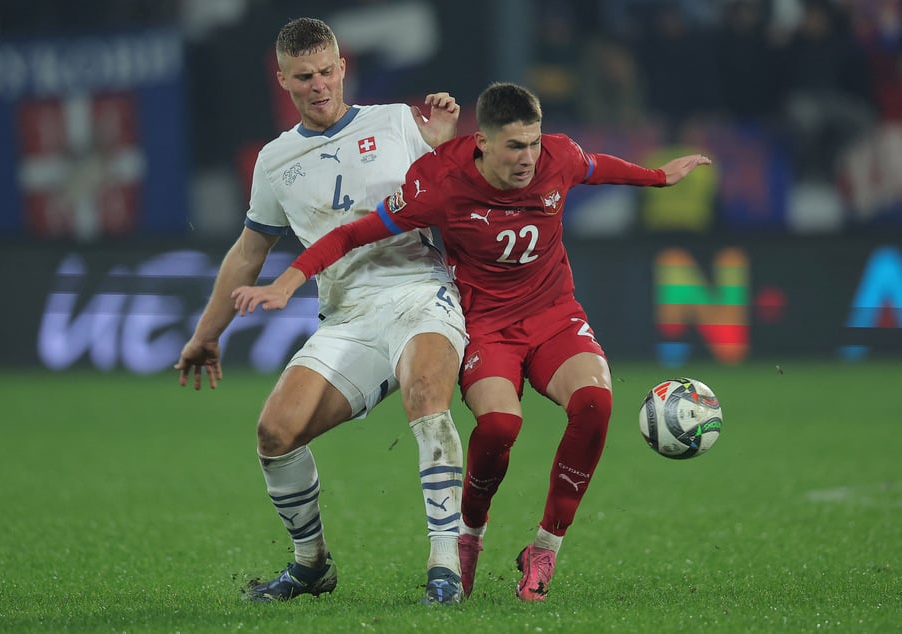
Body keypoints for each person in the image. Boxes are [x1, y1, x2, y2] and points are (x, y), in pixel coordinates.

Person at [232, 81, 711, 602]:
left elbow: (598, 166)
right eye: (514, 146)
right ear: (482, 141)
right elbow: (353, 233)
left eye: (533, 143)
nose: (529, 158)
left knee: (596, 402)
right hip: (486, 324)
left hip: (553, 314)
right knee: (501, 425)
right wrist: (288, 280)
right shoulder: (441, 182)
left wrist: (660, 177)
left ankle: (544, 547)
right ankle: (470, 536)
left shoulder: (558, 156)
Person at [174, 17, 469, 605]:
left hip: (421, 291)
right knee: (274, 433)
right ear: (283, 80)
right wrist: (207, 334)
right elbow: (247, 253)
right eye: (303, 76)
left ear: (343, 66)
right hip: (348, 317)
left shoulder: (397, 122)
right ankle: (312, 564)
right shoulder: (274, 161)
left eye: (327, 71)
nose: (319, 84)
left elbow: (460, 194)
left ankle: (446, 564)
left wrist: (441, 147)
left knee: (426, 393)